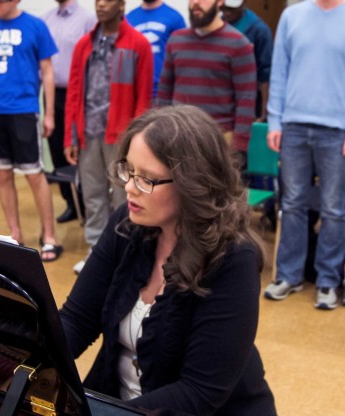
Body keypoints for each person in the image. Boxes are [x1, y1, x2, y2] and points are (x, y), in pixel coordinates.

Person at [59, 105, 276, 415]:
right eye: (128, 171)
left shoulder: (233, 258)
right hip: (121, 405)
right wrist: (25, 359)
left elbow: (198, 393)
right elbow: (77, 319)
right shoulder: (127, 224)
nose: (130, 188)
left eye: (147, 179)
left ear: (193, 184)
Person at [264, 0, 345, 309]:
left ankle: (328, 280)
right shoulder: (292, 16)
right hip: (293, 126)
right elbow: (280, 73)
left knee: (333, 208)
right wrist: (275, 120)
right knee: (292, 203)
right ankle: (288, 275)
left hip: (337, 131)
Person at [0, 0, 63, 261]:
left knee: (34, 174)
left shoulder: (35, 26)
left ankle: (50, 236)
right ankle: (15, 233)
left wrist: (50, 113)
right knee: (2, 175)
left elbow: (48, 71)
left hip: (24, 109)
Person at [63, 0, 153, 274]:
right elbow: (74, 91)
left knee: (123, 196)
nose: (101, 5)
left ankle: (125, 252)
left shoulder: (138, 44)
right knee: (92, 194)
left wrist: (136, 140)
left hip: (121, 136)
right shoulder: (84, 44)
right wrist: (71, 136)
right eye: (97, 0)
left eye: (108, 0)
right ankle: (96, 251)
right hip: (88, 132)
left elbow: (143, 97)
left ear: (122, 5)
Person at [156, 0, 256, 155]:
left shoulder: (238, 44)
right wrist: (160, 131)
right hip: (178, 137)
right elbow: (164, 92)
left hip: (219, 140)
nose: (196, 3)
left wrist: (239, 146)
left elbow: (246, 98)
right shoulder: (176, 40)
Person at [42, 0, 96, 223]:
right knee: (56, 150)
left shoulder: (87, 19)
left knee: (80, 151)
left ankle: (87, 205)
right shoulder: (46, 19)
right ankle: (70, 203)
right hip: (51, 93)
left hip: (78, 95)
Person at [220, 0, 272, 121]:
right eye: (224, 8)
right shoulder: (217, 24)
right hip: (222, 98)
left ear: (243, 4)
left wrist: (264, 114)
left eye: (231, 9)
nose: (227, 13)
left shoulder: (259, 30)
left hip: (248, 100)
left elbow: (266, 73)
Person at [126, 0, 185, 98]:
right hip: (135, 90)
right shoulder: (129, 18)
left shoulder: (175, 18)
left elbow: (182, 59)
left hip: (163, 91)